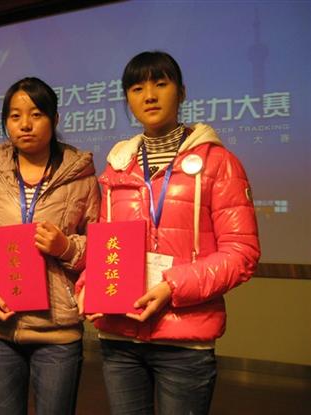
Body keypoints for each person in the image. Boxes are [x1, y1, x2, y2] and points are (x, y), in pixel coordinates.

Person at [77, 51, 260, 415]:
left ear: (181, 92)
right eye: (137, 88)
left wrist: (172, 287)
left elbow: (242, 253)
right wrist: (88, 285)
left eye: (160, 84)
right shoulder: (117, 168)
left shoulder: (218, 163)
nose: (149, 96)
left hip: (184, 341)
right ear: (127, 98)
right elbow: (105, 245)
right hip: (120, 336)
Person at [0, 77, 101, 415]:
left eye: (36, 114)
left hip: (57, 332)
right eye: (15, 116)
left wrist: (66, 247)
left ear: (55, 119)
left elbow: (102, 246)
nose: (25, 124)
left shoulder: (82, 179)